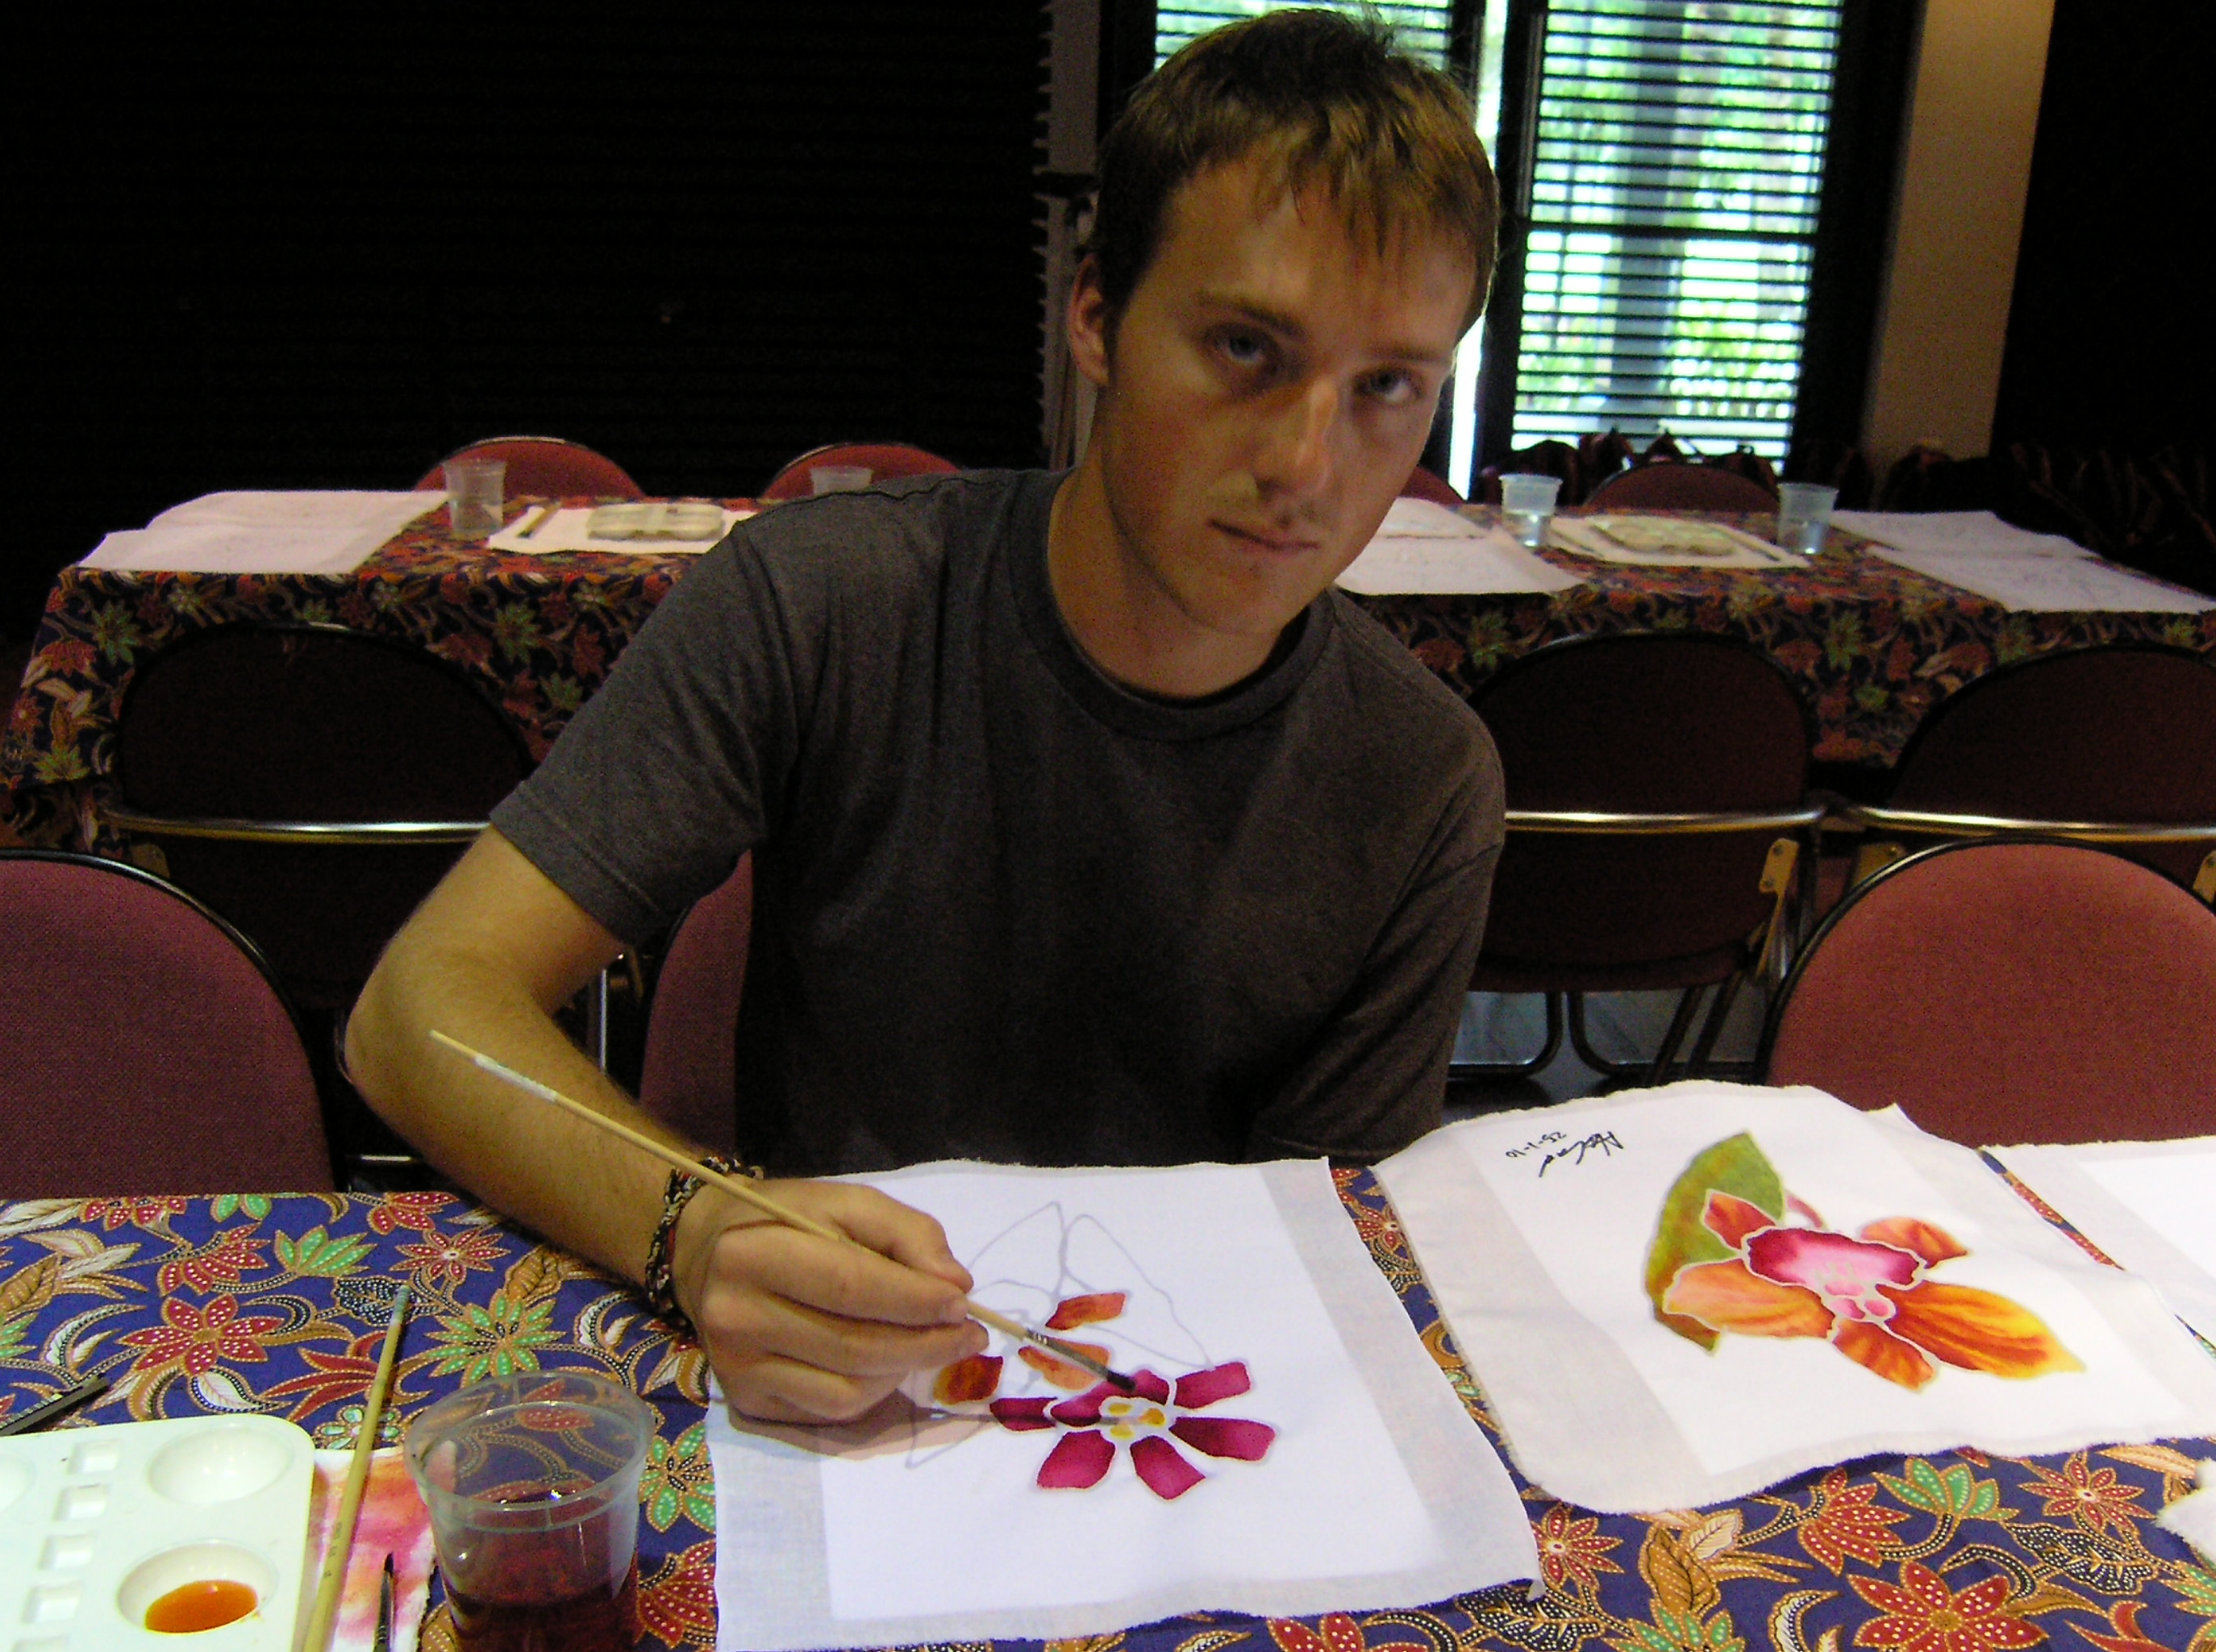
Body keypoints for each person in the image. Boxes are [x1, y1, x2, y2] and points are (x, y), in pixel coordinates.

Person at [345, 8, 1504, 1425]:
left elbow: (1314, 1255)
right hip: (827, 1390)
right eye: (1246, 348)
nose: (1308, 466)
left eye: (1387, 387)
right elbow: (418, 1007)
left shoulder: (1420, 780)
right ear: (1097, 318)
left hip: (1165, 1407)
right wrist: (695, 1221)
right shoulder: (826, 605)